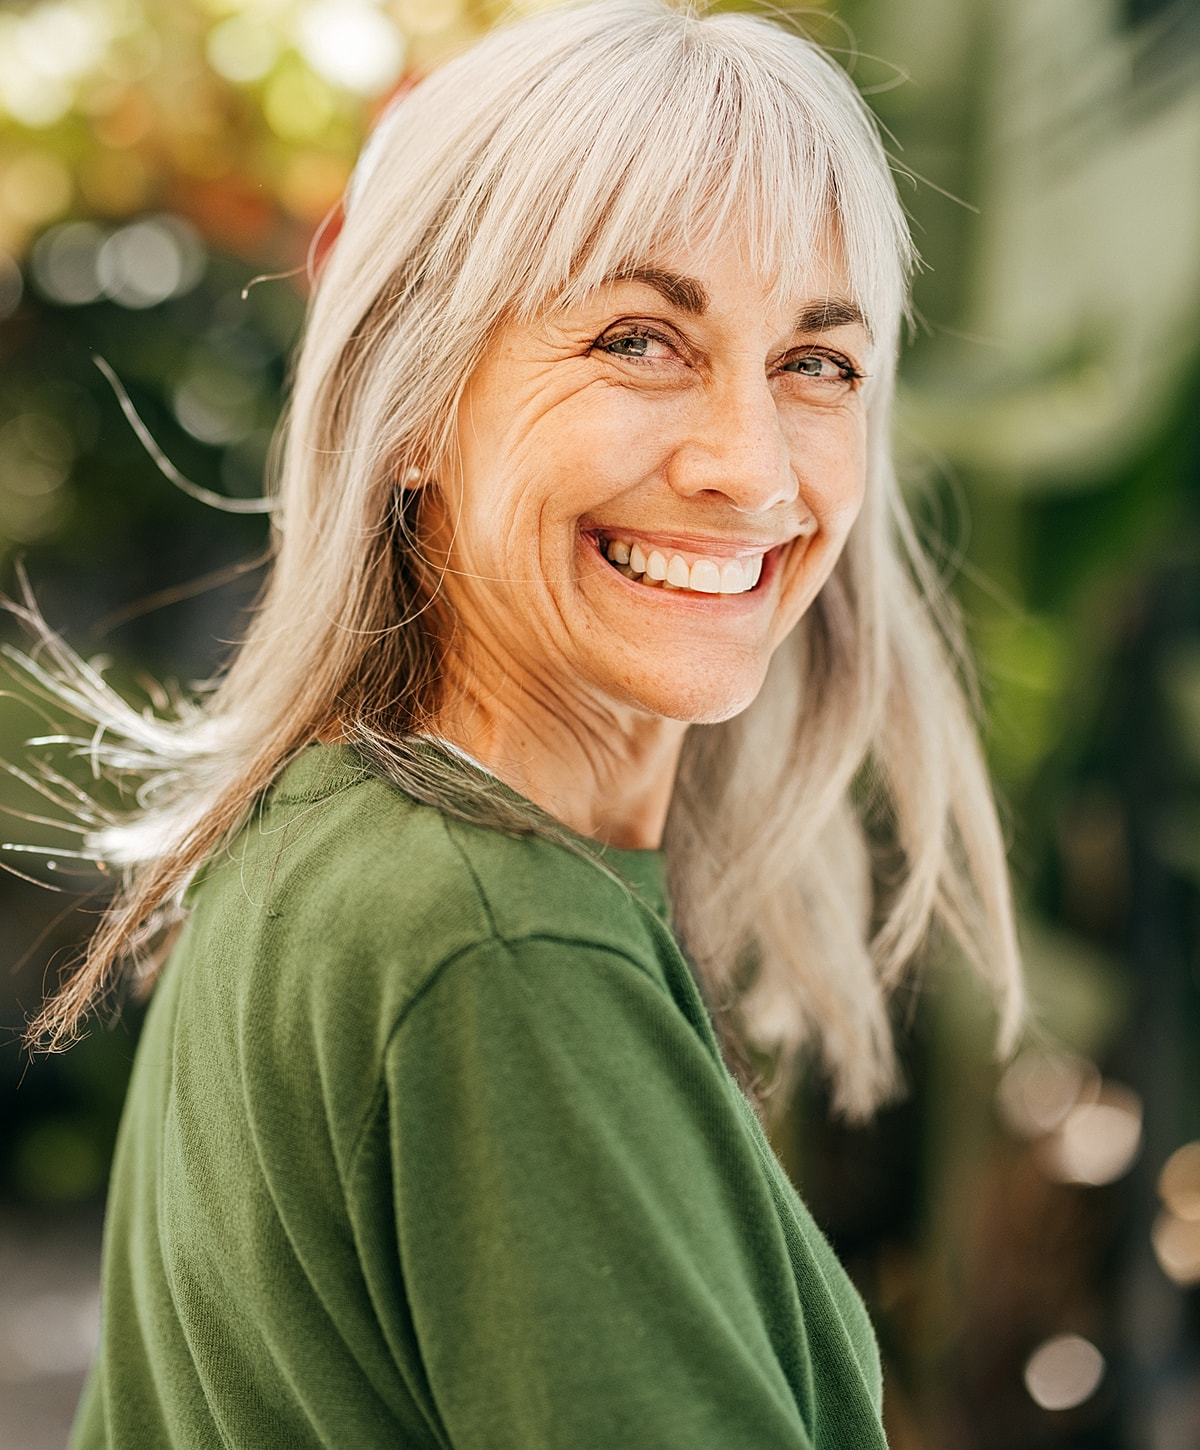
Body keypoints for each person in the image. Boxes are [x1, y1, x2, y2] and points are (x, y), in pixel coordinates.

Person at [17, 1, 1021, 1444]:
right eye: (638, 338)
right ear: (414, 401)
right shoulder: (497, 942)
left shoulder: (317, 844)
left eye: (816, 363)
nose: (748, 468)